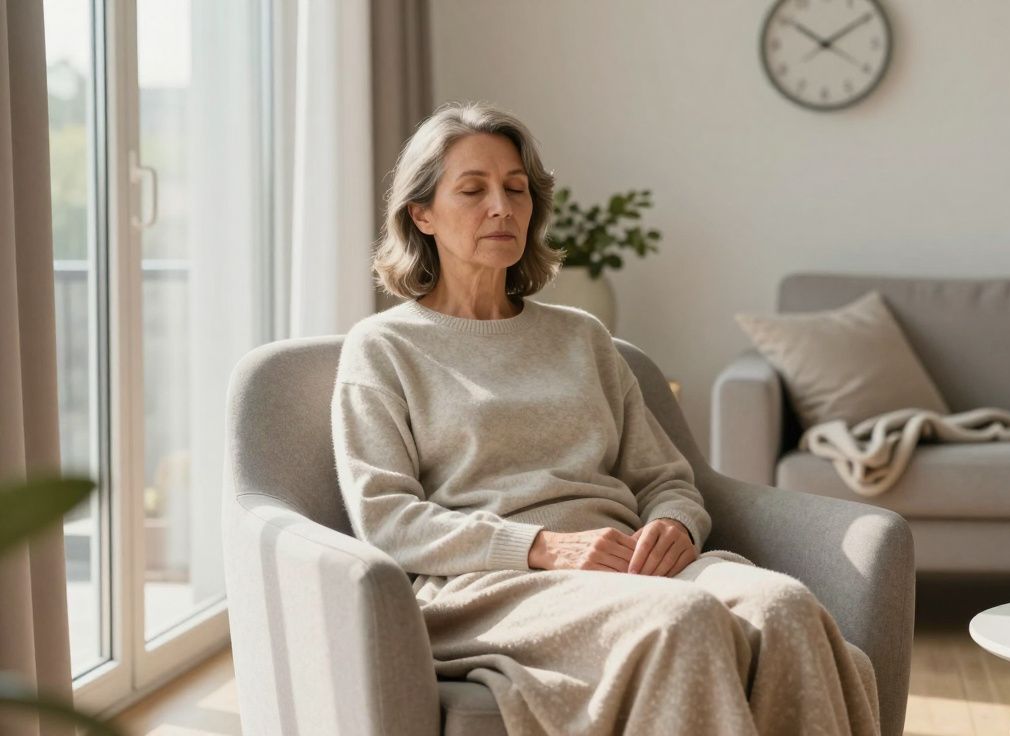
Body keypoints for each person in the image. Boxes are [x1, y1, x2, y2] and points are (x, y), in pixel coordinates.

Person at [331, 100, 879, 735]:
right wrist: (541, 546)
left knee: (784, 605)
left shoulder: (583, 338)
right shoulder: (383, 348)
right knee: (682, 621)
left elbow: (665, 479)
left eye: (516, 189)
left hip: (632, 564)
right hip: (491, 584)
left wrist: (675, 522)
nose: (502, 208)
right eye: (473, 190)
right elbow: (385, 517)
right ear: (420, 213)